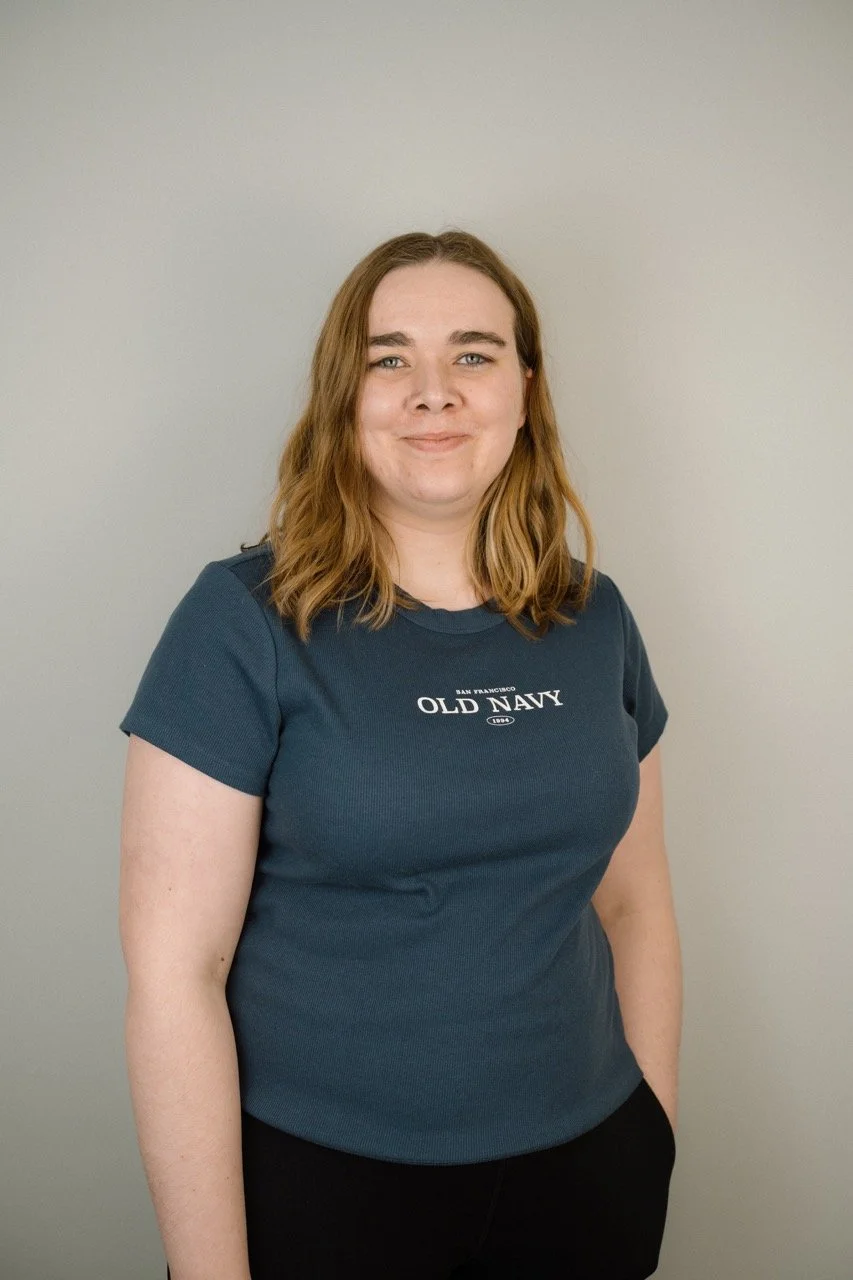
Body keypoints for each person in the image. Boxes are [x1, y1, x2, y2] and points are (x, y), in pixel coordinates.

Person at [118, 228, 682, 1280]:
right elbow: (173, 973)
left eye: (472, 352)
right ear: (347, 394)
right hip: (324, 1191)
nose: (433, 391)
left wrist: (650, 1130)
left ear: (525, 386)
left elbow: (635, 900)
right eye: (390, 358)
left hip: (589, 1172)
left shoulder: (593, 615)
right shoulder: (243, 621)